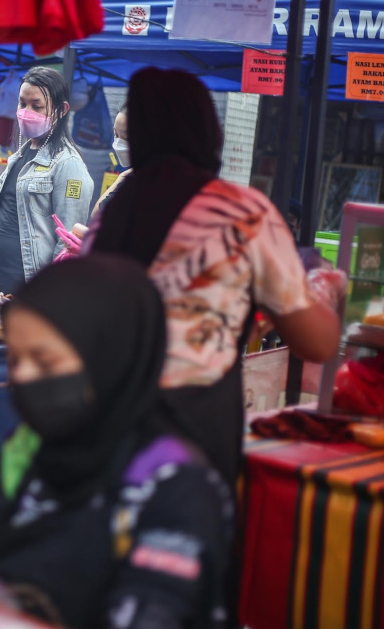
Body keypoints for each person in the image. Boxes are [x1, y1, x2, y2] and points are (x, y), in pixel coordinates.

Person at [0, 256, 233, 628]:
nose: (22, 377)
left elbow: (151, 614)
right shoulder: (27, 447)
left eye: (45, 363)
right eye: (14, 360)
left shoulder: (175, 485)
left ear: (109, 355)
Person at [88, 68, 341, 485]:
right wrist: (321, 283)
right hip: (190, 442)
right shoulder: (243, 214)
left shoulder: (114, 211)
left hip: (101, 429)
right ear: (210, 132)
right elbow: (317, 342)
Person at [0, 66, 93, 296]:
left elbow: (68, 243)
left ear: (61, 110)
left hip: (29, 290)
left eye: (37, 106)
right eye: (22, 103)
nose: (26, 111)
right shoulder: (18, 156)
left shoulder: (68, 165)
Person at [91, 100, 130, 217]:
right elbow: (96, 217)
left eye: (127, 137)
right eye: (116, 135)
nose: (118, 143)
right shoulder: (128, 177)